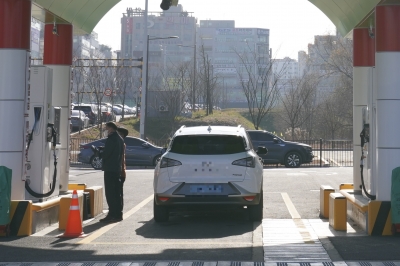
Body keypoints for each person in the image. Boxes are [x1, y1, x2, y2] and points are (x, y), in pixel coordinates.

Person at [100, 122, 124, 223]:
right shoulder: (120, 139)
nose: (106, 130)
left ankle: (112, 214)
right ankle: (118, 214)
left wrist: (100, 153)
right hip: (117, 168)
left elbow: (106, 154)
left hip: (110, 168)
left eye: (107, 128)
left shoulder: (111, 139)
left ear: (110, 128)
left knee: (110, 193)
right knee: (117, 192)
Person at [116, 127, 129, 213]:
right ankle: (118, 211)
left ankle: (118, 211)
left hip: (120, 172)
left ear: (122, 135)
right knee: (118, 193)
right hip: (121, 171)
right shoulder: (121, 144)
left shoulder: (121, 144)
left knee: (118, 193)